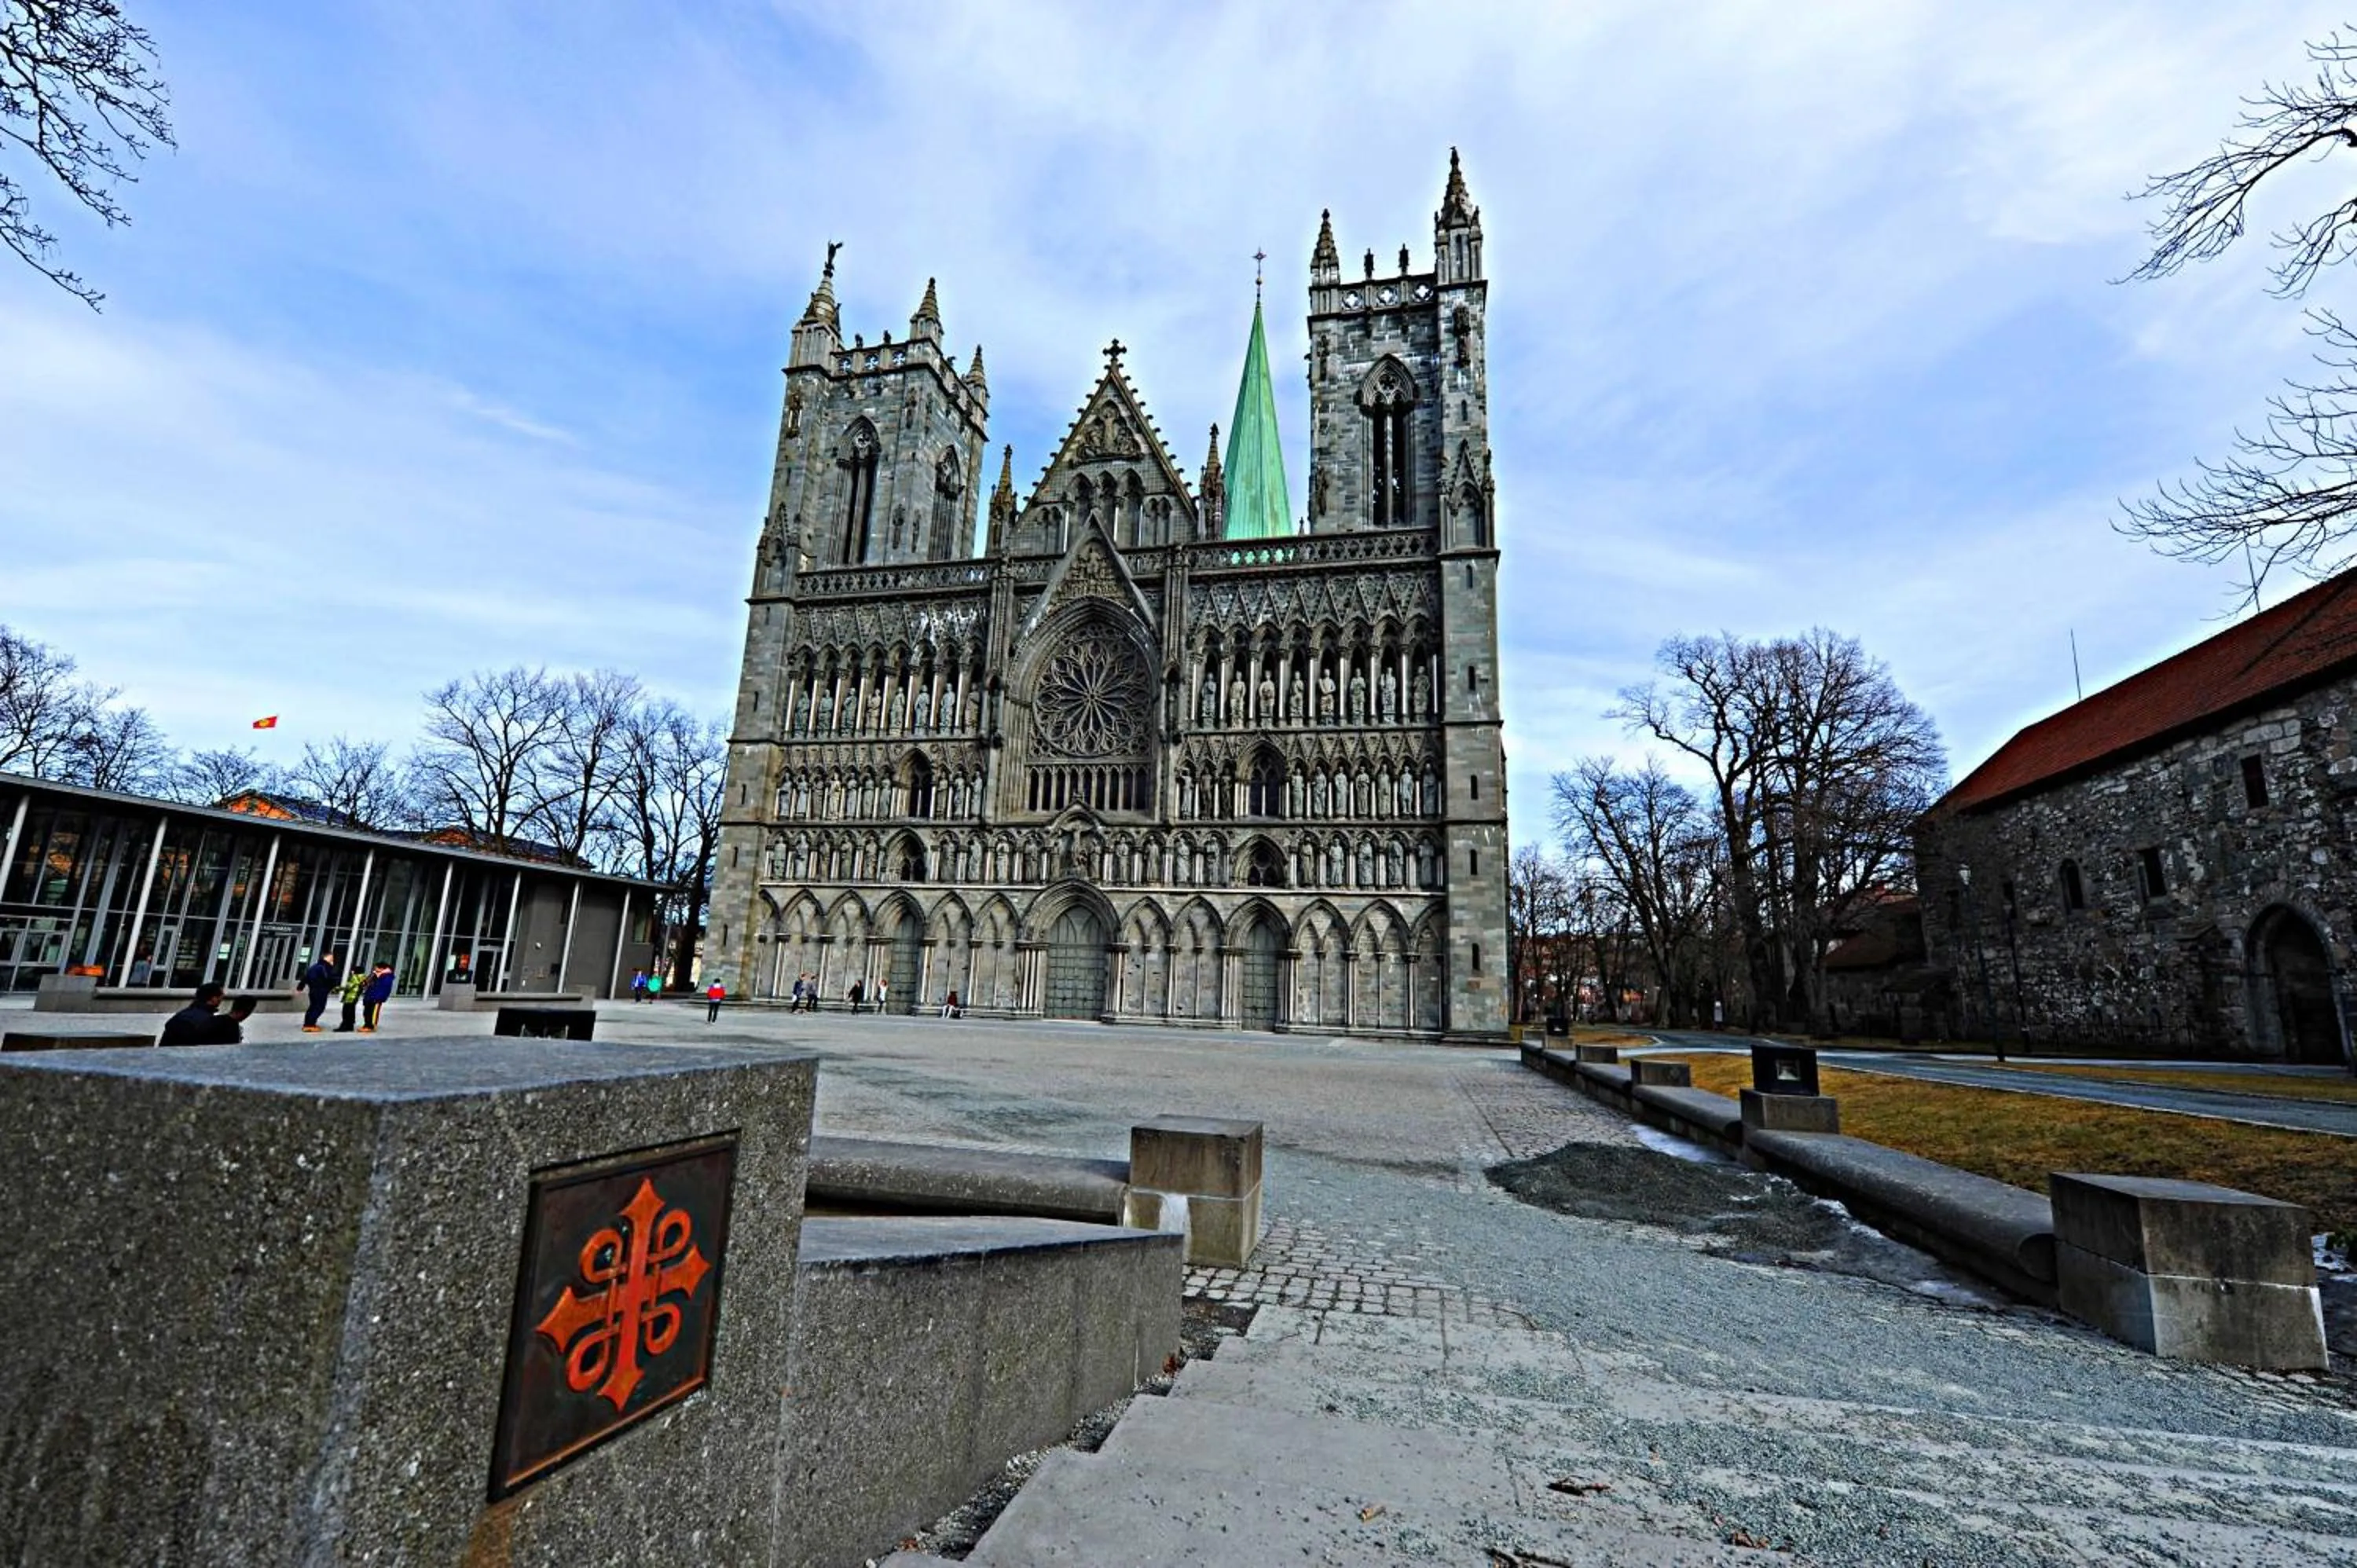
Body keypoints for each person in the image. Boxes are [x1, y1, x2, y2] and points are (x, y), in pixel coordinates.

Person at [159, 984, 229, 1046]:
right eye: (220, 997)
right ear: (213, 999)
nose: (221, 1000)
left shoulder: (181, 1015)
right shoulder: (208, 1021)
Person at [300, 951, 341, 1033]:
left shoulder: (315, 966)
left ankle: (308, 1023)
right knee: (319, 1007)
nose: (332, 960)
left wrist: (300, 987)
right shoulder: (324, 967)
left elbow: (306, 977)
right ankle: (310, 1025)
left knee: (313, 1006)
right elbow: (328, 978)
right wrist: (334, 984)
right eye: (331, 958)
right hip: (321, 990)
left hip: (313, 990)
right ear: (326, 957)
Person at [359, 962, 395, 1033]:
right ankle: (367, 1025)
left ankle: (370, 1026)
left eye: (376, 968)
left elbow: (384, 989)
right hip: (370, 996)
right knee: (366, 1012)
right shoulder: (375, 975)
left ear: (381, 968)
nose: (375, 969)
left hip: (376, 997)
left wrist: (379, 997)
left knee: (373, 1013)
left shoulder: (386, 977)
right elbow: (366, 983)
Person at [335, 965, 367, 1032]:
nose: (351, 971)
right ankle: (350, 1026)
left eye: (353, 970)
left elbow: (348, 987)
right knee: (351, 1012)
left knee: (346, 1012)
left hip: (350, 997)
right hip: (355, 997)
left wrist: (337, 988)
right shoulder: (363, 978)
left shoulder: (355, 977)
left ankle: (344, 1026)